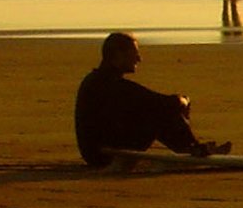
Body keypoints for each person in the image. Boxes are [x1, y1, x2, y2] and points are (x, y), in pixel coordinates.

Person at [74, 32, 231, 166]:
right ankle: (194, 149)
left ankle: (192, 147)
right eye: (134, 53)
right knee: (161, 111)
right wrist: (185, 101)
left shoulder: (98, 80)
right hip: (102, 155)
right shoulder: (109, 85)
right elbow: (167, 103)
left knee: (154, 108)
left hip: (97, 150)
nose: (139, 59)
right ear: (118, 55)